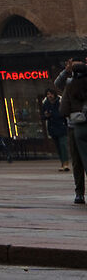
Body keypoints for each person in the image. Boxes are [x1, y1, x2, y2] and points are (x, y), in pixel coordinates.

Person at [58, 56, 87, 205]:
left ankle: (79, 193)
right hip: (74, 127)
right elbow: (58, 84)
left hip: (76, 127)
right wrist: (66, 72)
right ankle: (79, 192)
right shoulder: (69, 82)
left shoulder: (71, 85)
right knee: (77, 161)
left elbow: (63, 109)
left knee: (78, 161)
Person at [42, 88, 68, 170]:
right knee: (58, 147)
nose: (49, 96)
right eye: (48, 94)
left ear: (54, 94)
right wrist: (46, 116)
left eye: (51, 94)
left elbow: (62, 113)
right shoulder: (45, 103)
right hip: (52, 127)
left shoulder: (60, 102)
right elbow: (43, 116)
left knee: (63, 145)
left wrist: (51, 114)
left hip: (61, 126)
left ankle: (66, 163)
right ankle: (62, 163)